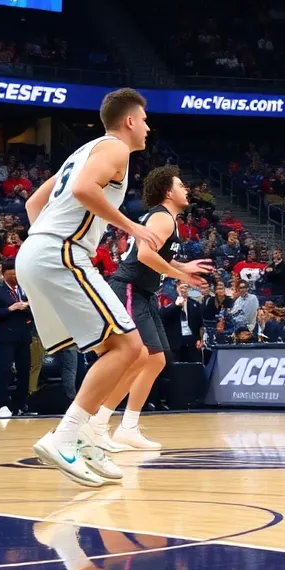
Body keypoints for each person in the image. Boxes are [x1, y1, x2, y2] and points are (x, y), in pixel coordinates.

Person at [17, 88, 163, 488]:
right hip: (60, 252)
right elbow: (84, 190)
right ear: (130, 120)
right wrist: (132, 226)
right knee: (132, 348)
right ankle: (65, 437)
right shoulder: (115, 148)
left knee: (118, 352)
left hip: (38, 251)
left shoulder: (82, 151)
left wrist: (43, 241)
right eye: (145, 120)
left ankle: (86, 436)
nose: (149, 127)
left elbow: (33, 204)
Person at [91, 166, 213, 454]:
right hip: (129, 288)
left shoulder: (165, 218)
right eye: (181, 185)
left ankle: (128, 428)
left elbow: (151, 255)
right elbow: (145, 256)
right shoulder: (162, 217)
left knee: (156, 360)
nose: (187, 189)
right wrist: (181, 275)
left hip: (144, 293)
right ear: (168, 192)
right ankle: (97, 424)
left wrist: (183, 268)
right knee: (138, 355)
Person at [0, 258, 34, 418]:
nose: (14, 277)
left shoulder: (23, 290)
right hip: (6, 335)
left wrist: (28, 308)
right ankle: (3, 404)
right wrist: (10, 308)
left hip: (23, 335)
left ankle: (20, 405)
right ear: (4, 274)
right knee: (5, 369)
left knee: (24, 370)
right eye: (11, 274)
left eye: (16, 274)